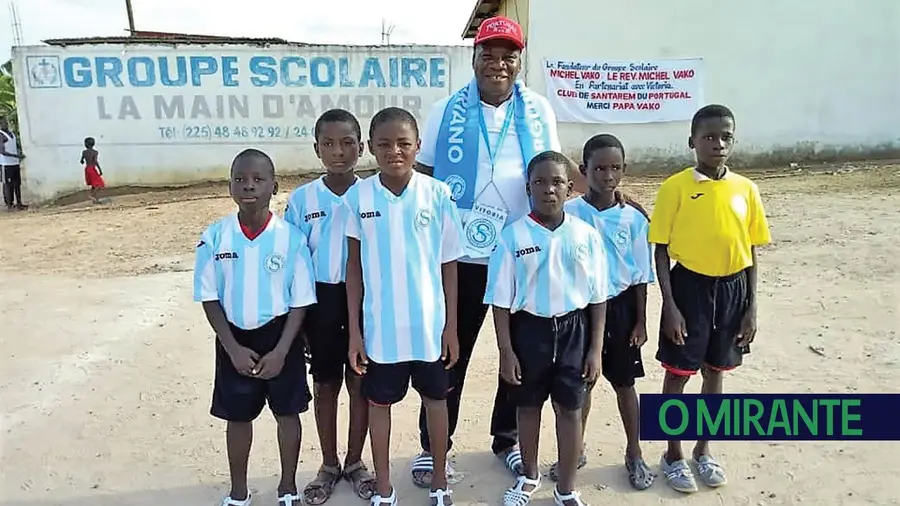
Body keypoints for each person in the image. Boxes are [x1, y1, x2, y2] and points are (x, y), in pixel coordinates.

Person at [410, 15, 562, 484]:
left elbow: (554, 171)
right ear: (473, 58)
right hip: (461, 260)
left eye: (508, 55)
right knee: (449, 351)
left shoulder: (538, 110)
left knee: (520, 353)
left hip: (520, 256)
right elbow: (424, 177)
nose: (498, 63)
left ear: (519, 61)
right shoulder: (445, 111)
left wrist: (608, 196)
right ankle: (434, 446)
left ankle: (507, 439)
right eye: (488, 54)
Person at [648, 104, 771, 493]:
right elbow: (661, 249)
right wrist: (670, 305)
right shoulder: (676, 187)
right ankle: (673, 454)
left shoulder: (746, 189)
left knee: (715, 371)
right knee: (678, 373)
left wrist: (751, 307)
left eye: (726, 137)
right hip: (689, 289)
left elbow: (751, 250)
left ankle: (704, 449)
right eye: (709, 137)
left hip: (733, 291)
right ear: (692, 142)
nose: (718, 144)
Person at [344, 107, 463, 506]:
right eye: (384, 144)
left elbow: (449, 265)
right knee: (380, 404)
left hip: (429, 326)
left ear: (418, 147)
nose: (394, 151)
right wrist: (356, 332)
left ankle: (441, 480)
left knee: (436, 400)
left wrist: (450, 328)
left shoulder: (438, 194)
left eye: (403, 143)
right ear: (371, 149)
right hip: (382, 330)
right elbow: (354, 269)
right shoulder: (359, 196)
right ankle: (383, 487)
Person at [484, 150, 609, 506]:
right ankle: (529, 475)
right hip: (529, 332)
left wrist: (595, 349)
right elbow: (501, 301)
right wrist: (506, 352)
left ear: (570, 188)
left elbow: (599, 297)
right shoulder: (512, 238)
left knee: (570, 409)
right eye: (540, 182)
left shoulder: (585, 236)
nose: (548, 189)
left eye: (557, 182)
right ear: (528, 188)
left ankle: (567, 488)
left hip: (574, 330)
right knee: (528, 407)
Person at [193, 148, 317, 506]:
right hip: (235, 338)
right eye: (240, 180)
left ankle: (288, 487)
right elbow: (209, 296)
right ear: (230, 187)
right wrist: (231, 347)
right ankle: (238, 492)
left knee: (287, 413)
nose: (249, 186)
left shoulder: (290, 238)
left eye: (258, 180)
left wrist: (281, 350)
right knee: (238, 416)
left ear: (274, 187)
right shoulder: (215, 237)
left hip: (282, 338)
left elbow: (300, 301)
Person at [283, 109, 376, 504]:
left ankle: (355, 463)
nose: (338, 152)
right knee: (325, 384)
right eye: (329, 144)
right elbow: (293, 260)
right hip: (319, 301)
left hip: (365, 298)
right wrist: (300, 320)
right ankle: (328, 463)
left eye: (347, 143)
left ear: (361, 148)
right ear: (316, 148)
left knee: (361, 382)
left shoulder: (373, 194)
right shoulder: (303, 199)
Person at [561, 134, 655, 490]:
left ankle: (634, 452)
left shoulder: (634, 220)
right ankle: (575, 449)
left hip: (620, 310)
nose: (607, 175)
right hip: (579, 310)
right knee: (579, 384)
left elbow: (641, 276)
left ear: (624, 170)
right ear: (584, 171)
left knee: (624, 384)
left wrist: (642, 321)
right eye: (599, 168)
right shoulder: (569, 212)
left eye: (615, 168)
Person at [0, 117, 26, 211]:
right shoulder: (1, 135)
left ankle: (19, 203)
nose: (5, 124)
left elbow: (15, 145)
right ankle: (9, 205)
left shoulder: (12, 134)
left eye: (6, 122)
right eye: (3, 123)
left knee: (17, 184)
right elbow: (2, 152)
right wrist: (16, 156)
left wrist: (18, 154)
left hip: (14, 163)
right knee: (7, 184)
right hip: (6, 164)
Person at [81, 137, 106, 204]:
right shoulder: (95, 152)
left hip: (87, 169)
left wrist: (84, 161)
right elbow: (95, 161)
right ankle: (91, 195)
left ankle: (95, 200)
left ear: (85, 144)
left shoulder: (84, 152)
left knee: (93, 185)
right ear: (93, 144)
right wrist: (100, 170)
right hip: (92, 169)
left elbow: (81, 161)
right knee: (100, 184)